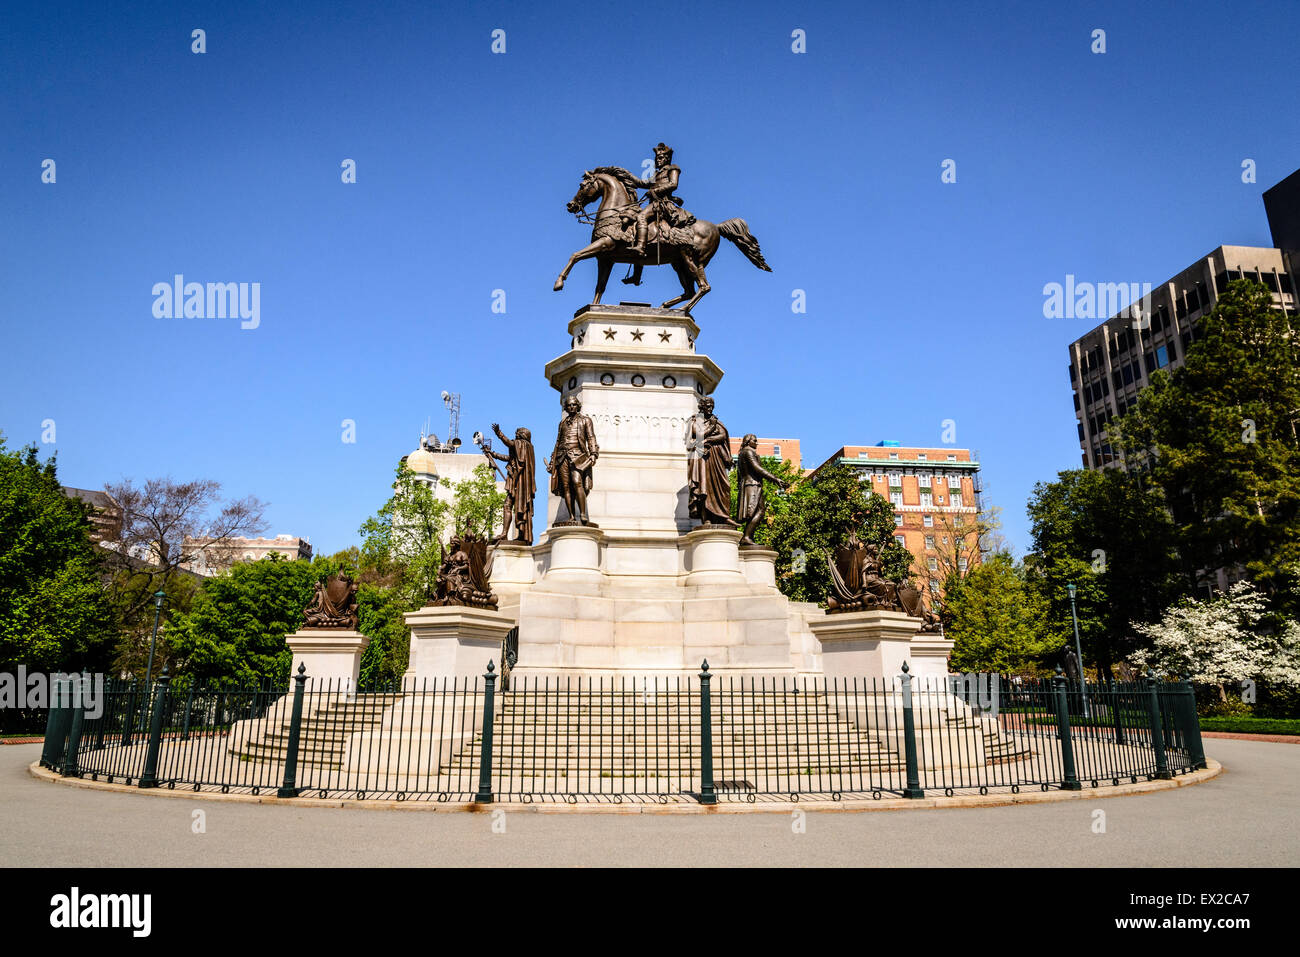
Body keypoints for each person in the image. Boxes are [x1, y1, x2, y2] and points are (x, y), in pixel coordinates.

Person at [546, 396, 599, 525]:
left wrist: (593, 453)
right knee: (566, 487)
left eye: (574, 405)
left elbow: (591, 437)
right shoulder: (562, 423)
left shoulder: (586, 420)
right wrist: (553, 461)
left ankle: (581, 513)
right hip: (562, 457)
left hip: (578, 456)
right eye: (569, 405)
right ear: (566, 407)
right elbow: (558, 442)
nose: (571, 407)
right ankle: (571, 516)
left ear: (578, 406)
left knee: (577, 482)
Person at [684, 395, 734, 526]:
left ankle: (722, 515)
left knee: (723, 485)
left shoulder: (716, 421)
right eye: (707, 406)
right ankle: (706, 518)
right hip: (702, 459)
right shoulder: (695, 420)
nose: (710, 409)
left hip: (716, 457)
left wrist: (708, 439)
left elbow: (722, 435)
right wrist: (711, 429)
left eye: (712, 406)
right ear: (702, 406)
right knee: (704, 487)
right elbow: (696, 434)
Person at [487, 423, 536, 544]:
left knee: (508, 505)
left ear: (522, 435)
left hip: (519, 482)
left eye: (517, 434)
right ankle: (519, 534)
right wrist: (493, 454)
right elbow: (509, 458)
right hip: (518, 481)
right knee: (515, 507)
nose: (515, 436)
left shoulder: (523, 445)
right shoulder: (525, 448)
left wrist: (499, 433)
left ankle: (505, 533)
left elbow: (509, 443)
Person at [735, 433, 787, 545]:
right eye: (754, 440)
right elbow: (757, 468)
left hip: (749, 485)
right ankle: (747, 536)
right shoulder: (748, 452)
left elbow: (739, 475)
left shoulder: (742, 453)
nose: (756, 443)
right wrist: (775, 479)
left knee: (755, 511)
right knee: (759, 511)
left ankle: (748, 537)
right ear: (748, 441)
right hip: (752, 485)